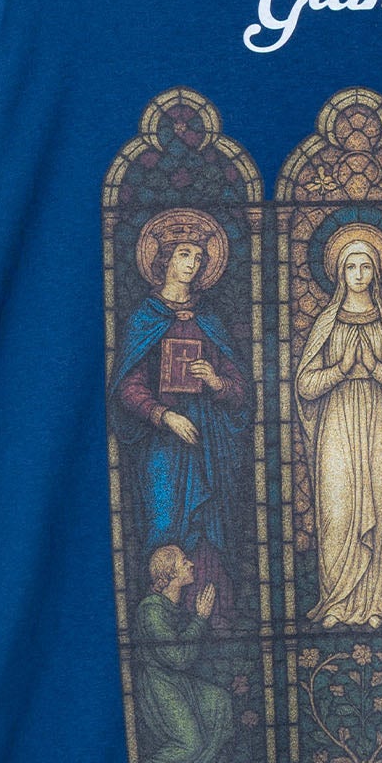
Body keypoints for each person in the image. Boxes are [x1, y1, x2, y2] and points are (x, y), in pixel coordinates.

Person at [109, 209, 250, 626]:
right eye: (185, 255)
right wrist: (165, 415)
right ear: (165, 260)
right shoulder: (145, 319)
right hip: (163, 443)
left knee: (209, 528)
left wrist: (216, 382)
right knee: (166, 523)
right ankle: (163, 627)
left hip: (208, 442)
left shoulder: (209, 320)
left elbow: (240, 390)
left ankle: (212, 621)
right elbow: (127, 387)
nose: (193, 264)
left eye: (199, 258)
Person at [294, 227, 382, 628]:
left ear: (378, 272)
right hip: (336, 423)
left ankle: (378, 603)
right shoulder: (327, 323)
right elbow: (304, 385)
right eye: (351, 266)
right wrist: (340, 370)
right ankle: (335, 602)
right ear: (339, 273)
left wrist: (377, 369)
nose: (359, 273)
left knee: (381, 509)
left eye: (366, 266)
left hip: (380, 423)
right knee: (338, 510)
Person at [131, 544, 235, 763]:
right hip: (159, 685)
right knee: (190, 743)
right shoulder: (151, 610)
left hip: (177, 680)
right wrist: (200, 618)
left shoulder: (171, 605)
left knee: (219, 702)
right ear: (169, 573)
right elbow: (178, 658)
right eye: (184, 561)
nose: (191, 564)